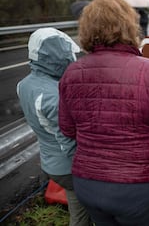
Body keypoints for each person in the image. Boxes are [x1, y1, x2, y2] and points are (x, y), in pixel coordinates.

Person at [58, 0, 149, 226]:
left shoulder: (71, 72)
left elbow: (68, 129)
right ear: (130, 25)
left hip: (88, 183)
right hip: (139, 186)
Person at [16, 27, 91, 226]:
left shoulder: (24, 85)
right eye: (67, 53)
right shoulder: (54, 97)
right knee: (85, 214)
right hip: (70, 167)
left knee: (80, 208)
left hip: (51, 162)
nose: (71, 58)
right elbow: (69, 143)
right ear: (55, 56)